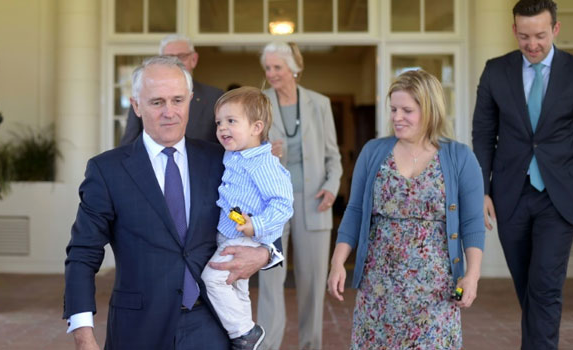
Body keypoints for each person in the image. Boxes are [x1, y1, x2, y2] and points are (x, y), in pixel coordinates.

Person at [63, 57, 281, 350]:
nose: (170, 112)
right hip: (138, 329)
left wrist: (266, 255)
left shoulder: (223, 161)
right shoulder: (107, 171)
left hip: (210, 324)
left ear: (190, 100)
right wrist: (83, 334)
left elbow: (265, 209)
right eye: (157, 102)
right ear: (136, 105)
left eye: (178, 100)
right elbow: (82, 252)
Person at [327, 69, 485, 349]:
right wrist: (338, 261)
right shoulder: (373, 152)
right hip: (378, 287)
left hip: (435, 289)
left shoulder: (460, 157)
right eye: (393, 109)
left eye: (407, 110)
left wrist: (471, 275)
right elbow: (354, 212)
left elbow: (472, 223)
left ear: (431, 110)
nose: (397, 117)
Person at [472, 0, 573, 348]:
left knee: (545, 288)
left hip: (561, 197)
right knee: (529, 288)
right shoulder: (495, 71)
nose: (532, 44)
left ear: (555, 29)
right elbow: (483, 134)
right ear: (513, 31)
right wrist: (482, 190)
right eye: (524, 36)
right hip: (511, 196)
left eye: (539, 35)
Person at [257, 41, 343, 350]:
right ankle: (267, 345)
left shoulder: (319, 104)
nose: (271, 74)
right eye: (267, 68)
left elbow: (333, 158)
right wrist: (268, 152)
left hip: (314, 203)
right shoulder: (260, 103)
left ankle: (311, 345)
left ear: (294, 68)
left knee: (312, 285)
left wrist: (332, 187)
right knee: (269, 282)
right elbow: (246, 154)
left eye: (277, 67)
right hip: (272, 204)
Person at [201, 87, 294, 350]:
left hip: (246, 237)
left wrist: (257, 225)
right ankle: (244, 339)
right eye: (219, 122)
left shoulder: (263, 164)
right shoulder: (234, 154)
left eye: (231, 121)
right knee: (238, 286)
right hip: (229, 231)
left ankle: (244, 332)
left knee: (213, 279)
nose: (222, 128)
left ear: (256, 127)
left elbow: (283, 204)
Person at [120, 34, 223, 146]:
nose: (175, 63)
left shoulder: (216, 97)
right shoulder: (144, 96)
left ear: (194, 59)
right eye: (168, 58)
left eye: (181, 56)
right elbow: (129, 143)